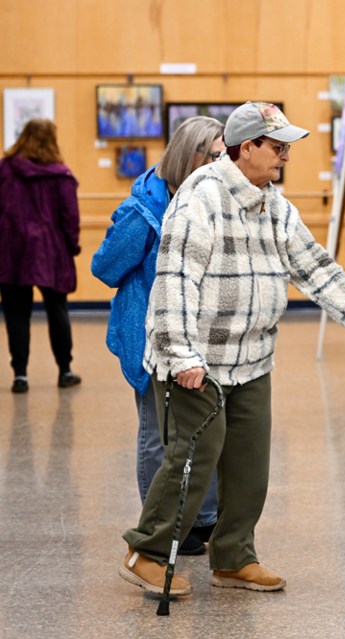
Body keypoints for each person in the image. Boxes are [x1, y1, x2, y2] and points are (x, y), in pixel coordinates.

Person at [119, 102, 345, 597]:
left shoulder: (275, 205)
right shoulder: (199, 198)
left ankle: (233, 556)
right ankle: (149, 552)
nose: (286, 156)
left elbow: (315, 267)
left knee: (249, 463)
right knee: (193, 455)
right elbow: (174, 281)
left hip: (252, 358)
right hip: (197, 360)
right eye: (278, 147)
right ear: (247, 148)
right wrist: (181, 356)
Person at [92, 116, 226, 555]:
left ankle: (201, 520)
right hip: (150, 336)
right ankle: (163, 529)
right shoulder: (143, 211)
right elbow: (105, 268)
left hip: (199, 335)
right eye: (216, 156)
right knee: (159, 434)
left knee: (201, 430)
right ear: (192, 156)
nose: (224, 164)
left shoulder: (213, 200)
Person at [0, 119, 82, 393]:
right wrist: (72, 246)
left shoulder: (6, 169)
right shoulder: (60, 174)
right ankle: (65, 370)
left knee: (16, 314)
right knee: (57, 310)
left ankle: (20, 375)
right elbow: (70, 217)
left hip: (12, 250)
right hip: (51, 249)